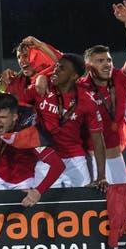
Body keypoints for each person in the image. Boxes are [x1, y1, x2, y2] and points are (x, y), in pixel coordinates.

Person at [79, 0, 126, 184]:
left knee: (122, 212)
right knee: (92, 212)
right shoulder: (80, 87)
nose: (107, 64)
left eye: (109, 60)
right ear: (89, 66)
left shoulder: (119, 79)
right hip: (89, 163)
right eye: (100, 61)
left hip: (116, 161)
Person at [33, 54, 108, 190]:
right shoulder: (42, 87)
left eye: (61, 69)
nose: (55, 71)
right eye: (56, 67)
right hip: (47, 158)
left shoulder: (86, 101)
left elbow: (98, 139)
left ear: (74, 76)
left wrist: (101, 176)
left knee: (82, 206)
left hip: (75, 159)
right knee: (41, 207)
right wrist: (40, 77)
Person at [0, 93, 65, 206]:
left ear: (15, 117)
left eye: (3, 118)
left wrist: (38, 191)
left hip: (23, 184)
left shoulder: (30, 134)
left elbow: (58, 166)